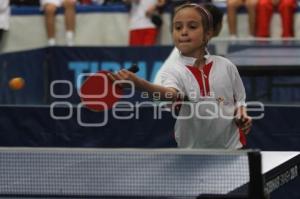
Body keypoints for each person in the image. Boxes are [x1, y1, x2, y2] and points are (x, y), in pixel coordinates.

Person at [108, 3, 252, 149]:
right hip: (165, 106)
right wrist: (140, 85)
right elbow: (168, 95)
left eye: (192, 26)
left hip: (232, 149)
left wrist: (241, 113)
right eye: (177, 27)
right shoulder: (173, 69)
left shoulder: (226, 65)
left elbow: (239, 99)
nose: (183, 32)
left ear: (208, 33)